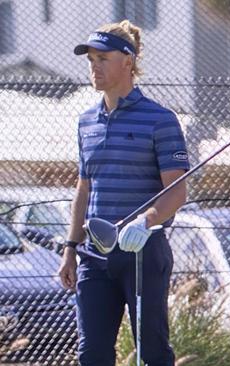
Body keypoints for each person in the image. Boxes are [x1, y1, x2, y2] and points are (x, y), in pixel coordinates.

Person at [57, 20, 189, 366]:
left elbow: (176, 190)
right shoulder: (86, 121)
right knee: (93, 355)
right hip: (95, 257)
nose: (94, 67)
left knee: (153, 354)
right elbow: (83, 188)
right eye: (91, 60)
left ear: (127, 61)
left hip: (143, 254)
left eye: (103, 58)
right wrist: (70, 248)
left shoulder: (160, 119)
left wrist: (145, 222)